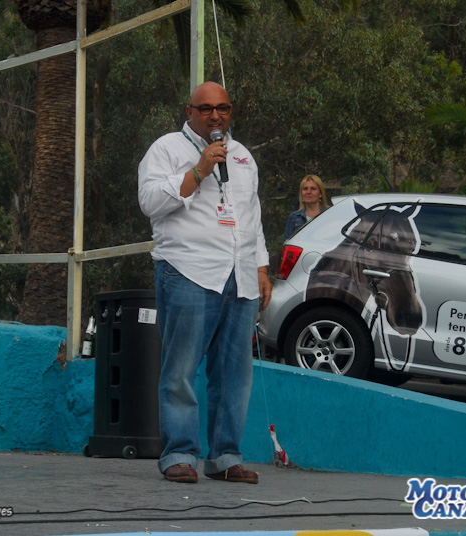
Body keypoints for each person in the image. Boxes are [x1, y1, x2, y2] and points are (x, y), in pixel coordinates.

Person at [138, 82, 271, 484]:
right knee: (181, 369)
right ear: (190, 111)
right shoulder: (166, 148)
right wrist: (198, 170)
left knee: (234, 373)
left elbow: (251, 215)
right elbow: (149, 203)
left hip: (240, 275)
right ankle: (179, 454)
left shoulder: (242, 155)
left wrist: (261, 267)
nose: (216, 116)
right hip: (188, 270)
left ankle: (225, 457)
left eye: (223, 108)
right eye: (206, 109)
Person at [283, 174, 329, 240]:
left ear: (320, 194)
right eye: (305, 189)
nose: (308, 192)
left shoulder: (329, 215)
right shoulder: (294, 217)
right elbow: (287, 243)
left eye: (313, 189)